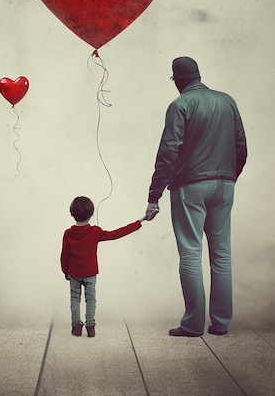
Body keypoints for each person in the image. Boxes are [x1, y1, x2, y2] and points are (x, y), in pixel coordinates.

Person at [144, 56, 247, 337]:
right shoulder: (228, 101)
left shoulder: (180, 105)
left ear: (177, 80)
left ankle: (192, 324)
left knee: (191, 252)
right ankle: (221, 324)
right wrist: (228, 177)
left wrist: (154, 195)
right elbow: (241, 146)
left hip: (190, 186)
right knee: (222, 254)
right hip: (225, 184)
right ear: (199, 76)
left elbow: (168, 152)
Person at [61, 196, 144, 337]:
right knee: (91, 299)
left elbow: (64, 255)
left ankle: (76, 325)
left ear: (71, 213)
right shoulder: (95, 231)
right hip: (91, 272)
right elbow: (115, 234)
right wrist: (139, 222)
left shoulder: (68, 233)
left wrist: (66, 272)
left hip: (74, 273)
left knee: (75, 298)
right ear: (91, 214)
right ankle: (91, 326)